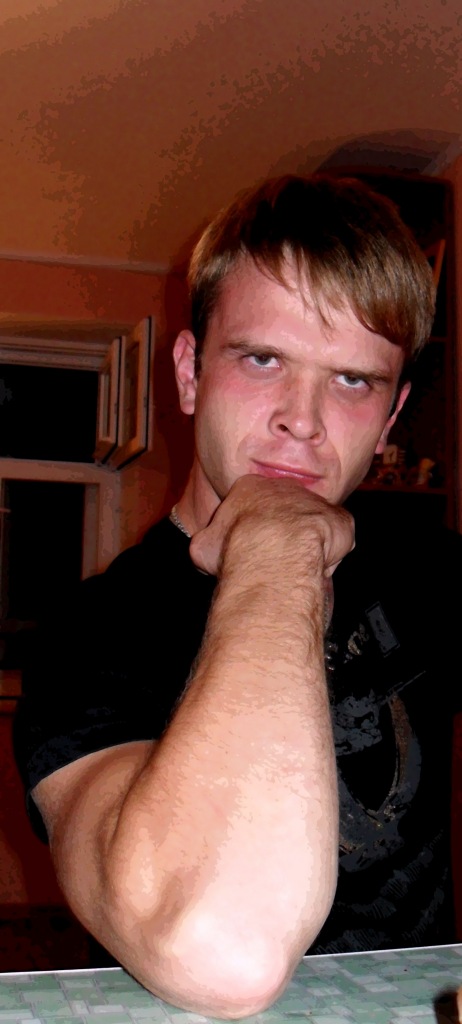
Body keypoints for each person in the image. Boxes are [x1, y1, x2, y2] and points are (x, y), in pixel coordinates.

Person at [14, 174, 461, 1018]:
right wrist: (278, 542)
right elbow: (218, 950)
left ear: (393, 416)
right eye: (263, 360)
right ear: (189, 374)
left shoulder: (426, 569)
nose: (303, 419)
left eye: (353, 381)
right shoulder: (90, 636)